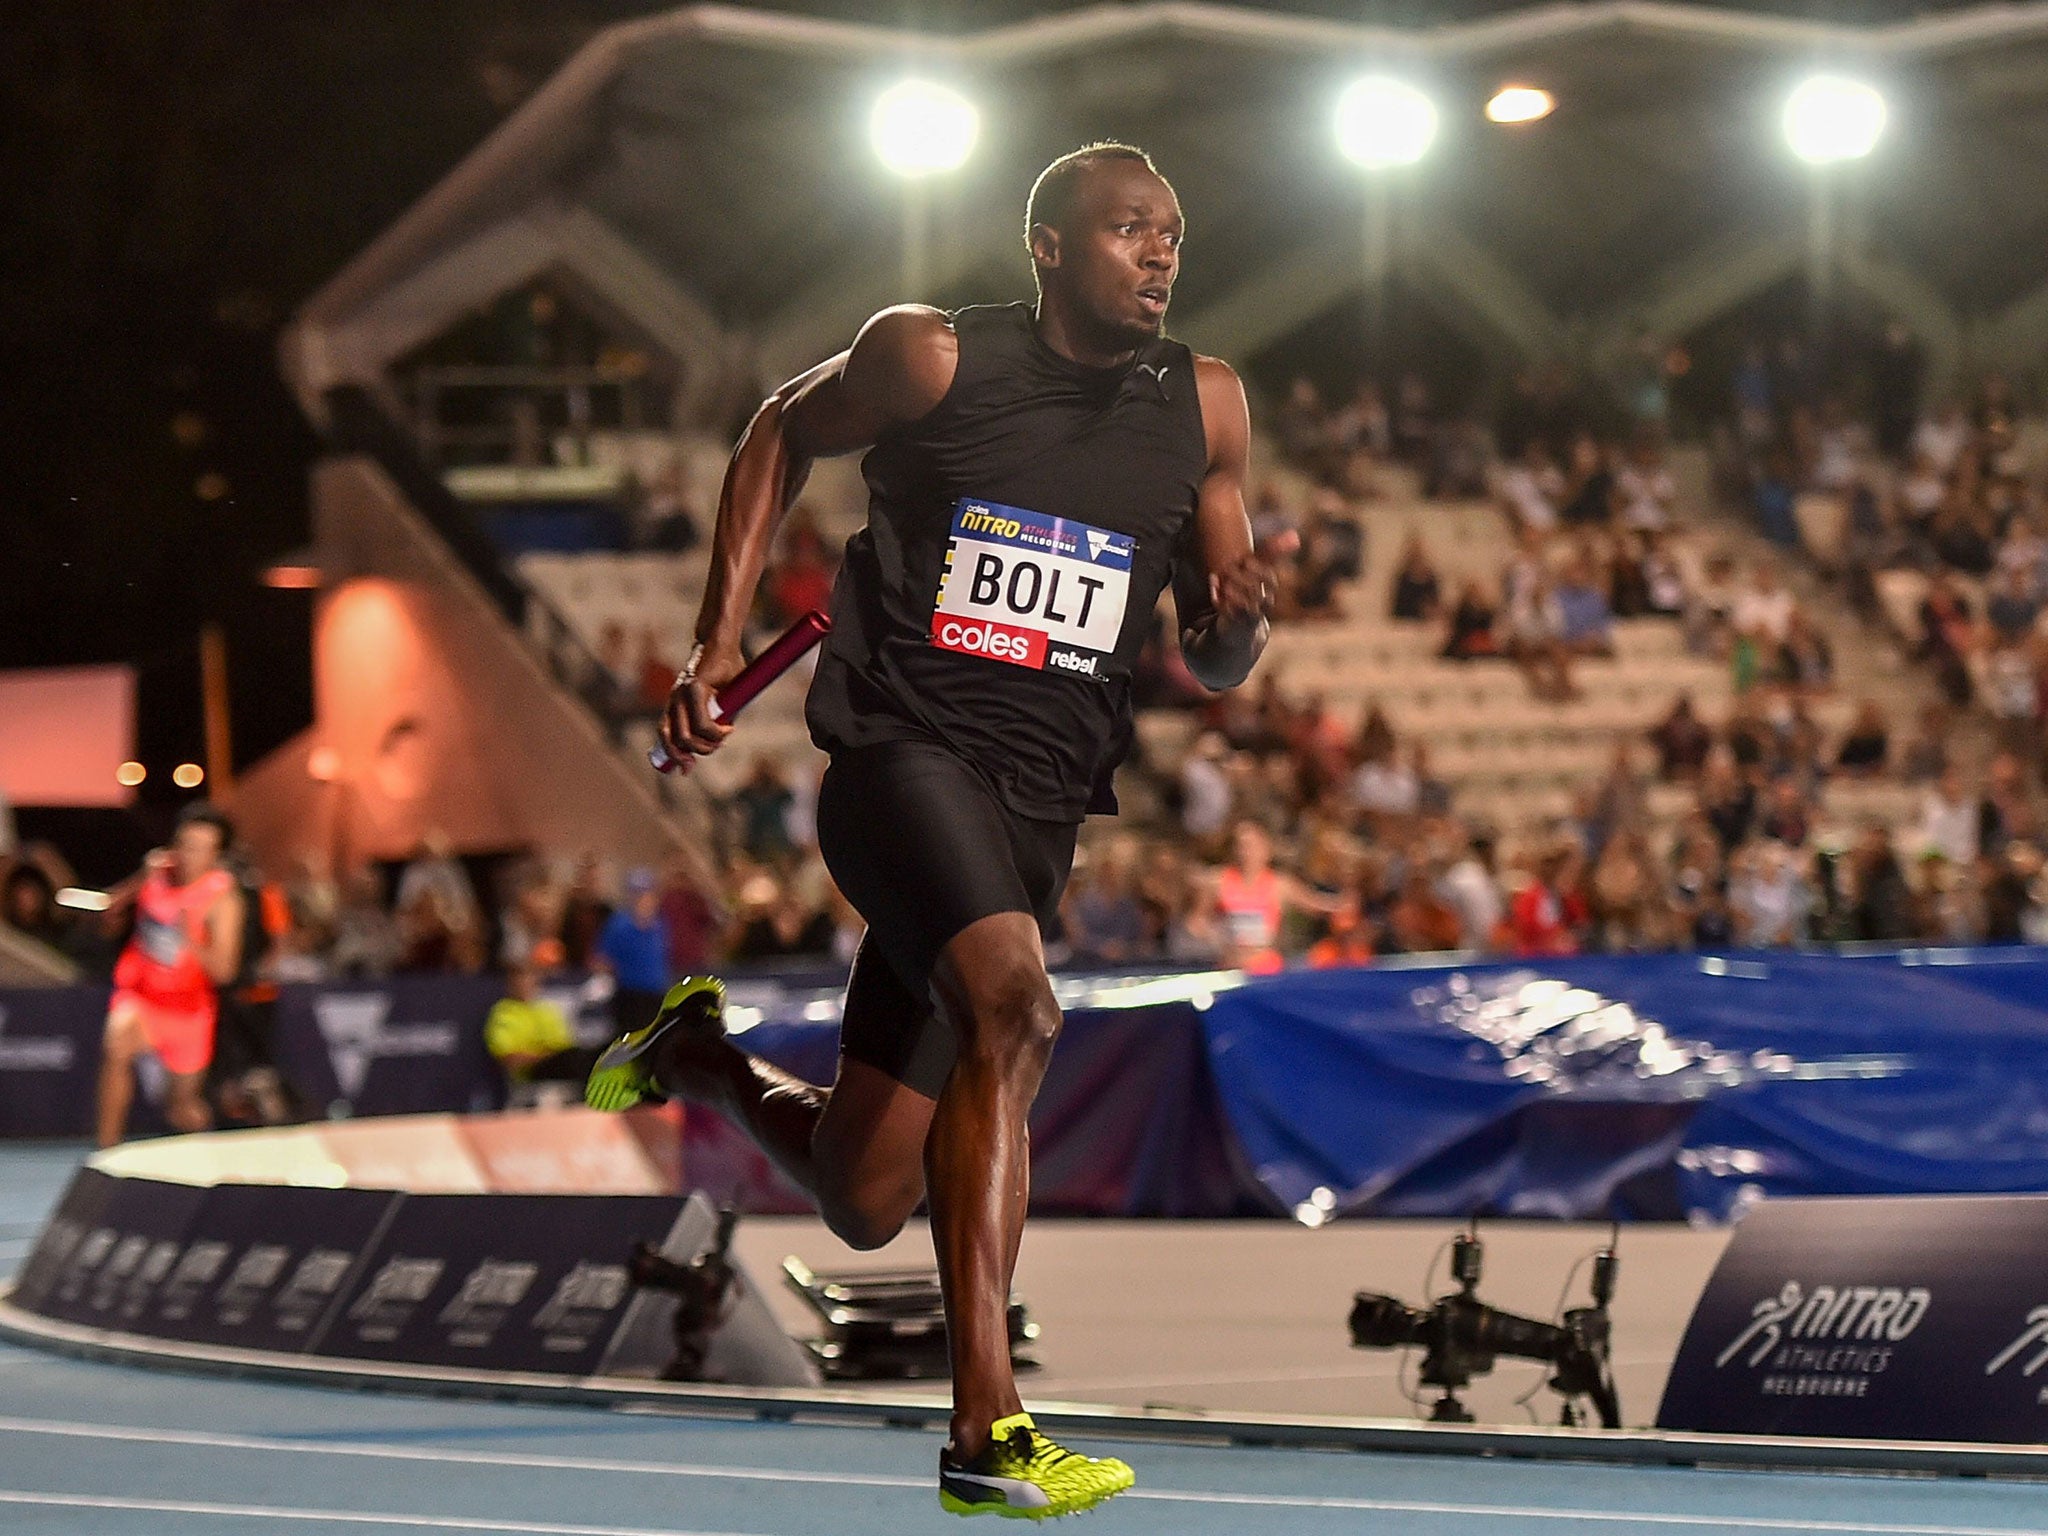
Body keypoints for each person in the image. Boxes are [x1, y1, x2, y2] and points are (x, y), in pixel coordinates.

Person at [584, 143, 1283, 1519]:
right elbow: (779, 425)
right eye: (1131, 229)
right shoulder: (932, 359)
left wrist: (1243, 611)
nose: (1161, 253)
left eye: (1174, 235)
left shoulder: (1204, 406)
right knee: (1016, 1012)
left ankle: (703, 1058)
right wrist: (712, 644)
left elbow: (1219, 658)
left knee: (864, 1191)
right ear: (1048, 245)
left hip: (1038, 803)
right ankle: (986, 1430)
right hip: (898, 759)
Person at [98, 804, 245, 1146]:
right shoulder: (156, 872)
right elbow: (110, 911)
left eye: (198, 848)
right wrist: (139, 881)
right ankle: (105, 1152)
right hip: (141, 996)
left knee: (181, 1108)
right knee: (117, 1045)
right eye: (183, 844)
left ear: (215, 855)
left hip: (188, 1011)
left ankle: (209, 1167)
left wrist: (191, 937)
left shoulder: (223, 900)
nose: (187, 854)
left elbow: (224, 971)